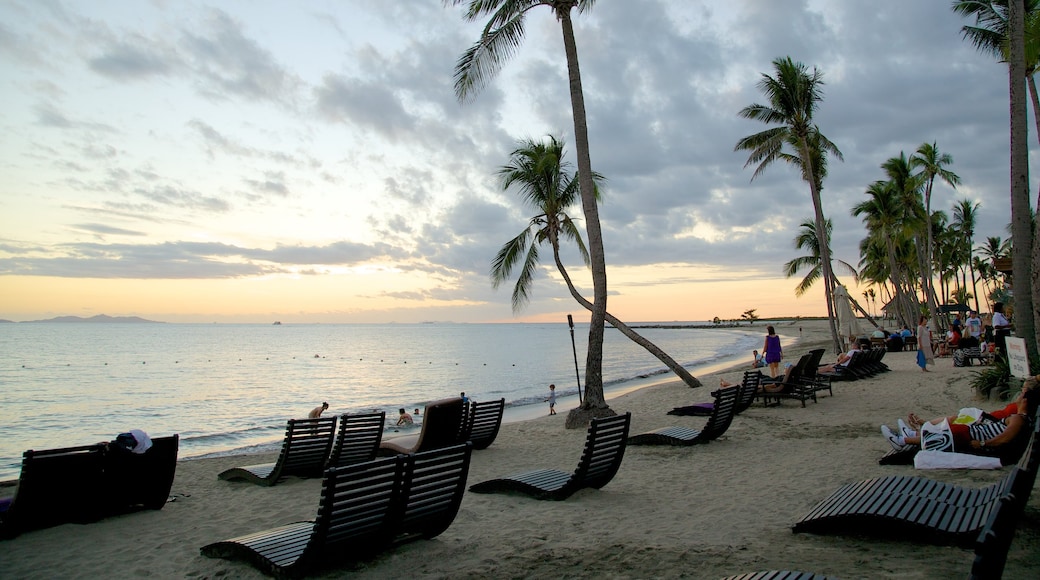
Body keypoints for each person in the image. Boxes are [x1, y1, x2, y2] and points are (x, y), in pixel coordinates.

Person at [882, 377, 1039, 462]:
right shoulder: (1020, 417)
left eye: (1020, 394)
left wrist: (983, 443)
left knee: (952, 430)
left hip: (975, 435)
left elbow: (1005, 438)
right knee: (954, 427)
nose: (1017, 396)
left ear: (1024, 400)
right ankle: (908, 436)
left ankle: (903, 440)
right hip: (976, 431)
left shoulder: (1019, 418)